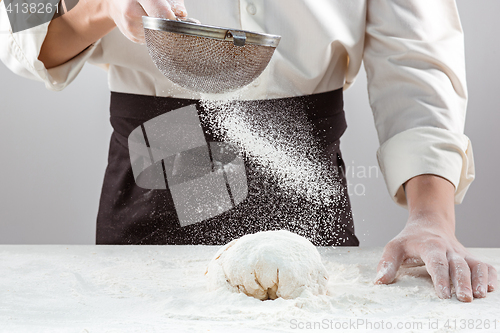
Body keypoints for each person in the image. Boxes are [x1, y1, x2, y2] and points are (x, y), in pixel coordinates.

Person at [0, 0, 496, 302]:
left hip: (303, 173)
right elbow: (21, 26)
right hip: (163, 160)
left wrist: (432, 217)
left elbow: (416, 54)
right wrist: (101, 6)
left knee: (309, 311)